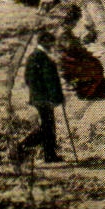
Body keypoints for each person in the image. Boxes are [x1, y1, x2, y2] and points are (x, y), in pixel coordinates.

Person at [22, 31, 65, 164]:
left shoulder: (37, 56)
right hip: (43, 98)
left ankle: (50, 155)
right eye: (50, 42)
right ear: (44, 42)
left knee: (49, 125)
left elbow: (28, 79)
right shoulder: (39, 57)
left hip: (41, 98)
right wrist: (53, 97)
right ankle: (22, 147)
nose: (52, 45)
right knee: (47, 127)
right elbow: (47, 81)